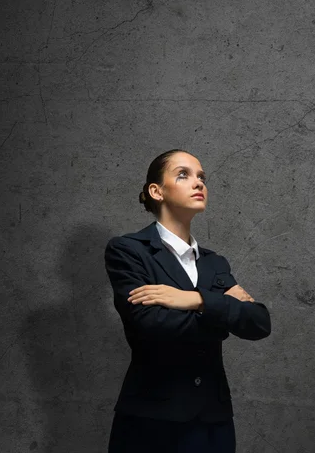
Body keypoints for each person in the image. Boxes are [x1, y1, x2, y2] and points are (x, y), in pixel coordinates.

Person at [104, 149, 271, 452]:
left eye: (202, 177)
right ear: (157, 191)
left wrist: (191, 299)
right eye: (183, 175)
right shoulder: (129, 251)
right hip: (152, 418)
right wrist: (222, 310)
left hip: (213, 419)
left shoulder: (214, 263)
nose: (198, 183)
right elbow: (151, 325)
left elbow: (259, 323)